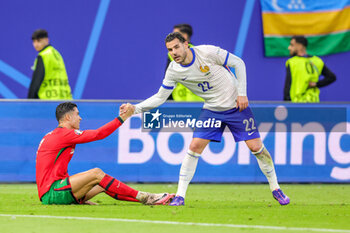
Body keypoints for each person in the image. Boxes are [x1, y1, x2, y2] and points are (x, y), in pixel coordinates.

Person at [121, 32, 290, 206]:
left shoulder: (208, 52)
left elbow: (238, 63)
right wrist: (135, 109)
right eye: (170, 50)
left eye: (177, 47)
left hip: (236, 106)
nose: (174, 52)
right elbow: (160, 97)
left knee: (256, 148)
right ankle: (180, 196)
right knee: (194, 147)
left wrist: (242, 93)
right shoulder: (174, 70)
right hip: (212, 109)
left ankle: (275, 188)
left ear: (186, 44)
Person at [35, 102, 173, 205]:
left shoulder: (53, 135)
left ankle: (147, 199)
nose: (80, 118)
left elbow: (53, 170)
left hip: (54, 189)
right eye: (77, 114)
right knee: (96, 173)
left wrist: (79, 197)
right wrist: (123, 118)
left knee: (102, 184)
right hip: (52, 192)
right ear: (67, 117)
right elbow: (98, 134)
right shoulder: (63, 134)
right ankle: (146, 197)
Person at [284, 36, 336, 102]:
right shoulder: (317, 61)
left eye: (292, 45)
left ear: (300, 46)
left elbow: (288, 85)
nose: (289, 47)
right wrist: (316, 84)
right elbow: (331, 77)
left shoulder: (292, 62)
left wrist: (286, 104)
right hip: (314, 103)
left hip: (296, 104)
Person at [28, 29, 73, 100]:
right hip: (64, 100)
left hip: (47, 101)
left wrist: (29, 103)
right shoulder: (57, 55)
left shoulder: (43, 55)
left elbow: (36, 82)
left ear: (46, 40)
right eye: (34, 41)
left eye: (39, 41)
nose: (35, 44)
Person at [166, 24, 203, 102]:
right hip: (182, 99)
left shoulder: (200, 53)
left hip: (194, 101)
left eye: (175, 34)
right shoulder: (171, 54)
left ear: (184, 36)